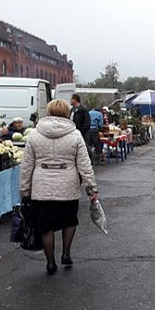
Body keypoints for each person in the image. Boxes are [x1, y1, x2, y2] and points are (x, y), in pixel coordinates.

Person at [20, 100, 98, 275]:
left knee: (45, 226)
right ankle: (66, 253)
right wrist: (92, 187)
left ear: (48, 112)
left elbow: (26, 165)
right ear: (66, 113)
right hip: (68, 185)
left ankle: (50, 262)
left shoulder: (34, 134)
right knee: (69, 220)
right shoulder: (75, 135)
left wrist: (25, 190)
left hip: (42, 187)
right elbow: (84, 164)